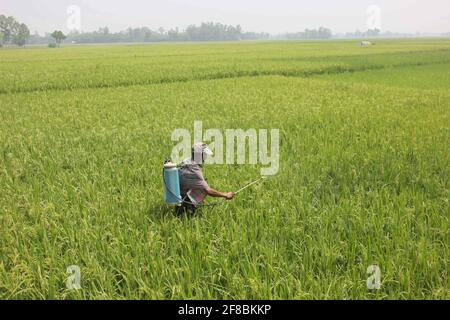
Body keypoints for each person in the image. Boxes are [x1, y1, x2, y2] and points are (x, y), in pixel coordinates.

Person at [177, 142, 234, 213]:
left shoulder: (187, 161)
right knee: (203, 186)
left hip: (180, 192)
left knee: (203, 183)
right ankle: (187, 208)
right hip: (183, 196)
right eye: (204, 154)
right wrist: (225, 195)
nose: (206, 156)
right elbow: (208, 191)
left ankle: (186, 206)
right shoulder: (194, 171)